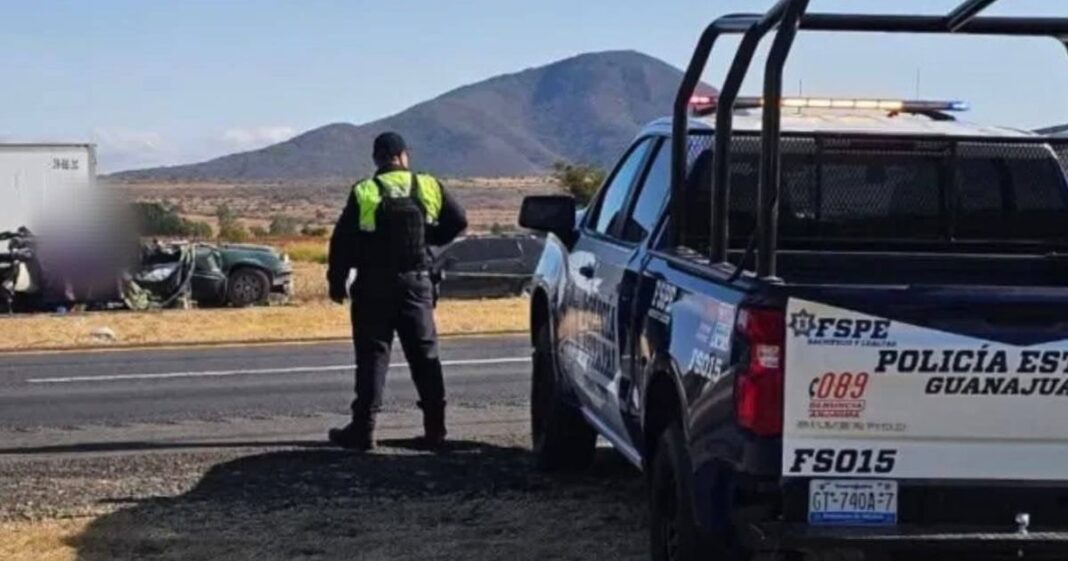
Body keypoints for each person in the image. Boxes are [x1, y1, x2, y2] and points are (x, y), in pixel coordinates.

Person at [326, 132, 467, 451]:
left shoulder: (365, 190)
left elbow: (343, 240)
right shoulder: (429, 185)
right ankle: (435, 430)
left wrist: (336, 281)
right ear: (403, 156)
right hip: (417, 283)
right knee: (425, 355)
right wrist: (429, 240)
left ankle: (364, 430)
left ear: (377, 158)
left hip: (374, 285)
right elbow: (459, 220)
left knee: (373, 356)